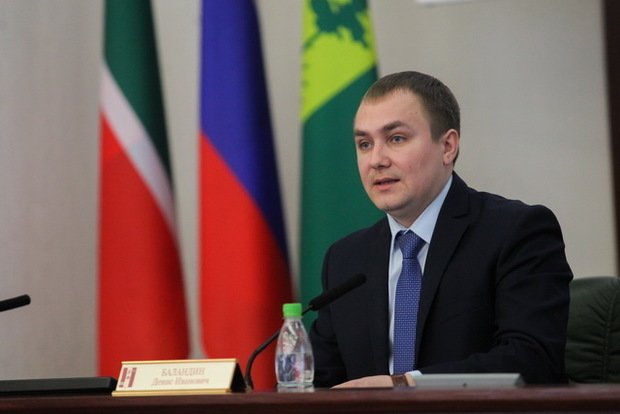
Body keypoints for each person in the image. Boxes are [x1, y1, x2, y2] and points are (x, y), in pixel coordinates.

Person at [308, 71, 573, 388]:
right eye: (364, 144)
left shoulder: (516, 232)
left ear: (448, 146)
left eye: (396, 139)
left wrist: (406, 384)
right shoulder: (345, 259)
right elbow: (320, 383)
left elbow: (532, 360)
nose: (376, 160)